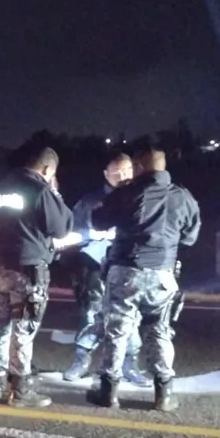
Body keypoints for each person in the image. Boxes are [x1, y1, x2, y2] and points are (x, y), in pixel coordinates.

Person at [86, 148, 201, 411]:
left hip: (127, 271)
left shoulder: (127, 193)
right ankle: (164, 393)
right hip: (163, 273)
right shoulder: (184, 196)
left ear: (138, 167)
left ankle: (109, 392)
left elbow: (99, 222)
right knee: (159, 331)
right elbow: (190, 237)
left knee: (117, 331)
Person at [0, 145, 73, 407]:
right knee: (24, 330)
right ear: (47, 169)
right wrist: (54, 191)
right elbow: (61, 228)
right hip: (28, 270)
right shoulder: (40, 190)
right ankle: (22, 388)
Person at [60, 153, 149, 385]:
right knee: (92, 313)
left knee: (131, 318)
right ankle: (80, 360)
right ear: (106, 174)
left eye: (127, 171)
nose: (122, 177)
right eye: (116, 172)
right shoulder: (90, 202)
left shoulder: (144, 197)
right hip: (96, 267)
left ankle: (130, 365)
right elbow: (70, 233)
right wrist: (96, 234)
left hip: (130, 267)